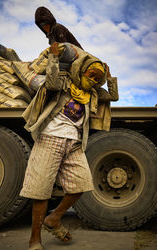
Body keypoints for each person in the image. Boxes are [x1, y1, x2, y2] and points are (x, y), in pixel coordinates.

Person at [20, 42, 118, 250]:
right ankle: (34, 240)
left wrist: (108, 79)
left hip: (74, 142)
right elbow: (51, 84)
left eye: (96, 79)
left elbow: (113, 96)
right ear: (81, 70)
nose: (92, 80)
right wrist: (54, 58)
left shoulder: (92, 94)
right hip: (50, 137)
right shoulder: (65, 82)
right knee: (41, 191)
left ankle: (54, 218)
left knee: (82, 185)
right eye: (90, 74)